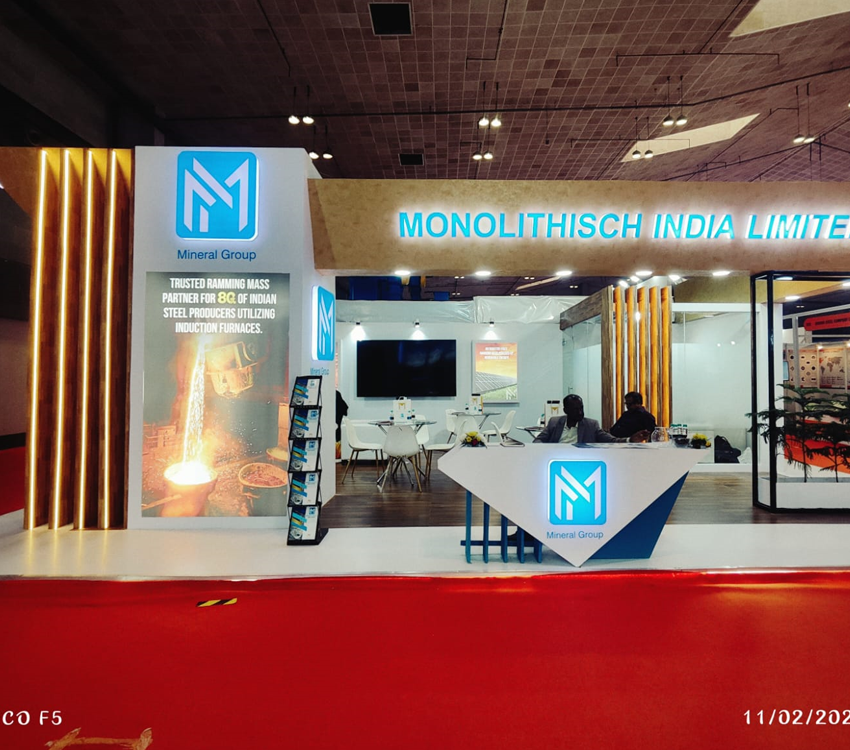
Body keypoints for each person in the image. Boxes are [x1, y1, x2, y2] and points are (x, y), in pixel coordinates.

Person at [533, 394, 650, 444]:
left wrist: (630, 440)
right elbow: (537, 441)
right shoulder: (554, 422)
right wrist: (548, 450)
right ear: (566, 410)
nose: (580, 412)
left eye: (581, 408)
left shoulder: (591, 425)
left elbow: (611, 441)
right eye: (575, 409)